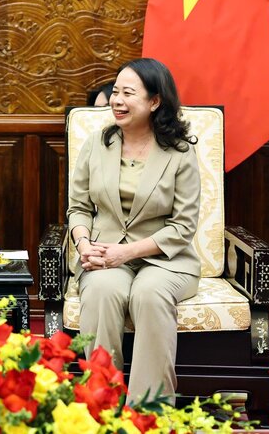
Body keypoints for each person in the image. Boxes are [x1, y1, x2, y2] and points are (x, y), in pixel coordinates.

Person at [67, 58, 200, 404]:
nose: (117, 100)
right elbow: (78, 208)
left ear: (154, 102)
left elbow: (184, 226)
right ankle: (101, 403)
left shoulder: (180, 153)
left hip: (166, 260)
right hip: (104, 253)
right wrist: (84, 243)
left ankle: (148, 410)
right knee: (102, 290)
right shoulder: (97, 144)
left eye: (128, 93)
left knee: (149, 293)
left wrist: (126, 252)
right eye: (115, 92)